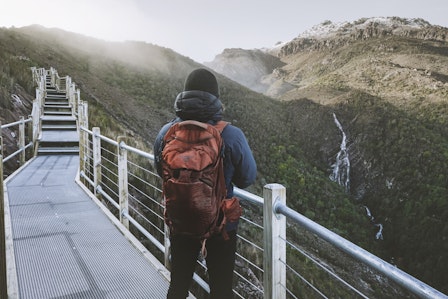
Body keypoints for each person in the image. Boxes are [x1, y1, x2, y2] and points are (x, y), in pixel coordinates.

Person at [154, 68, 257, 299]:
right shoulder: (231, 135)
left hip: (180, 219)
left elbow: (161, 171)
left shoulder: (166, 132)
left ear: (184, 95)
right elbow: (248, 178)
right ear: (216, 98)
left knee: (178, 284)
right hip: (221, 226)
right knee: (221, 290)